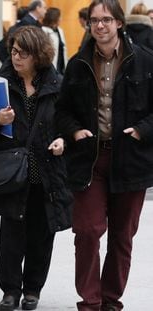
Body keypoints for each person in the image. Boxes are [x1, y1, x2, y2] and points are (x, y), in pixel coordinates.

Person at [55, 0, 153, 310]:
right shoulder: (77, 63)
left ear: (119, 23)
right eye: (95, 20)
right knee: (87, 230)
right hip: (90, 160)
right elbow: (62, 110)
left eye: (107, 19)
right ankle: (90, 301)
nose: (100, 25)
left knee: (122, 236)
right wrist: (74, 131)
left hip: (131, 159)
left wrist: (141, 130)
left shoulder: (146, 62)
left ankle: (111, 299)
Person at [0, 26, 72, 311]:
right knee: (11, 235)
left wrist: (63, 140)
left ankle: (33, 290)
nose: (16, 58)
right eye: (14, 51)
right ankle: (10, 291)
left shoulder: (57, 85)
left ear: (38, 55)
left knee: (42, 235)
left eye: (23, 53)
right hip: (13, 173)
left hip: (46, 171)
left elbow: (70, 122)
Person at [42, 7, 68, 74]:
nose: (61, 19)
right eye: (60, 17)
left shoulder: (60, 30)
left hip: (61, 66)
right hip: (50, 65)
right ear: (54, 18)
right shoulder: (44, 30)